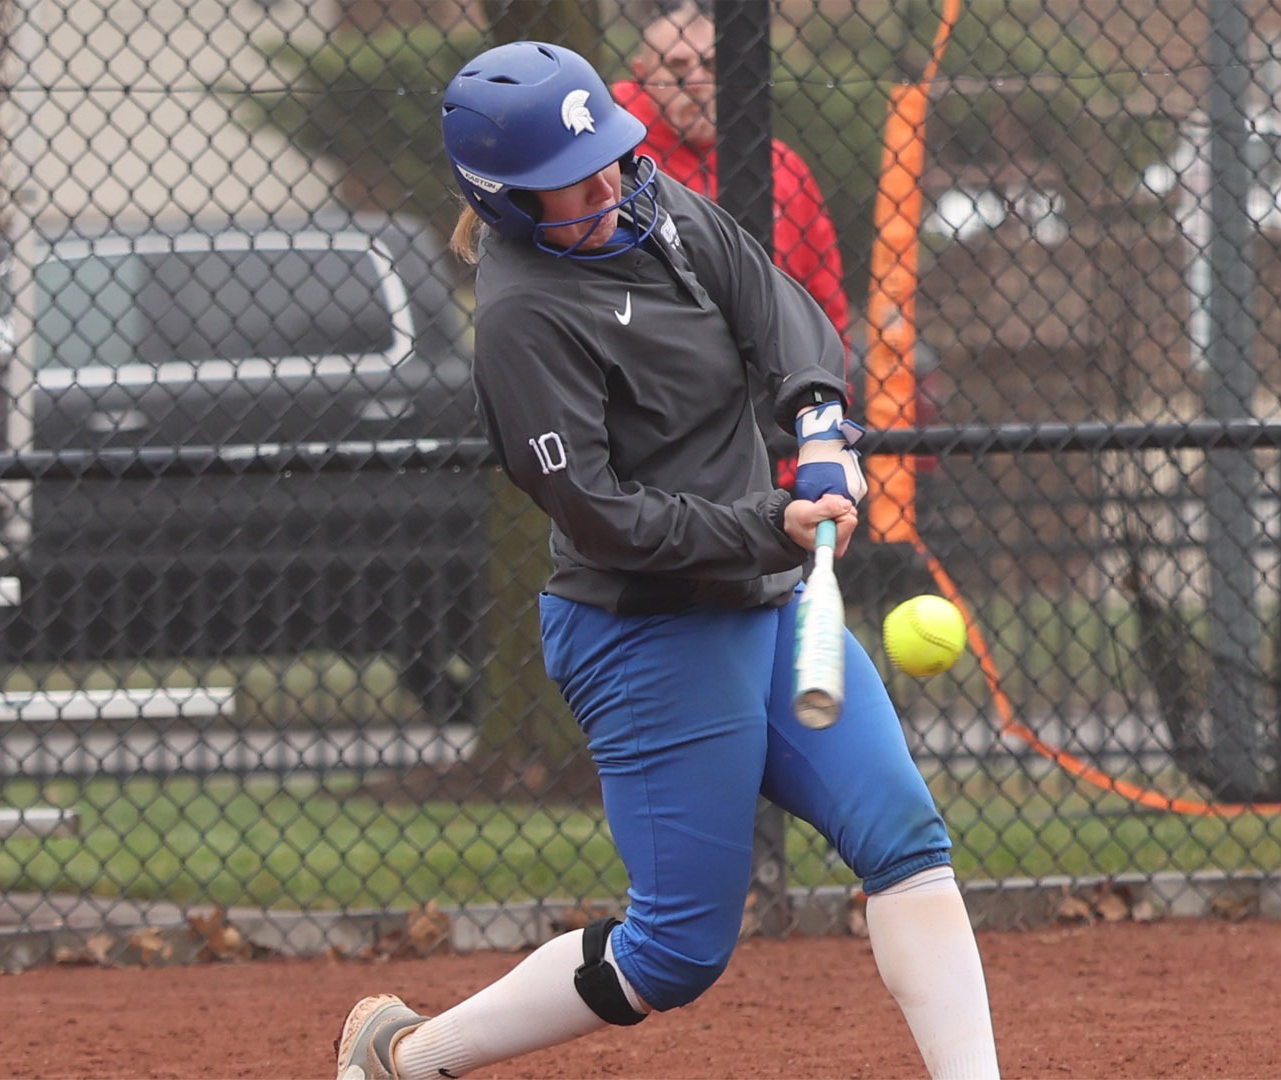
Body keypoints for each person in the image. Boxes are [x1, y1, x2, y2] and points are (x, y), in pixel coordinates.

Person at [333, 41, 999, 1080]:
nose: (606, 182)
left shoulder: (657, 208)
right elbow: (603, 518)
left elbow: (777, 310)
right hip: (645, 633)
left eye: (607, 154)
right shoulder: (523, 320)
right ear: (505, 200)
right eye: (572, 180)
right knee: (677, 952)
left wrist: (820, 426)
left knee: (906, 843)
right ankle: (408, 1058)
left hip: (765, 599)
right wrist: (768, 523)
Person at [611, 0, 851, 491]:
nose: (695, 79)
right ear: (642, 74)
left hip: (774, 429)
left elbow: (824, 306)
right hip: (652, 445)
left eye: (711, 65)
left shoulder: (783, 169)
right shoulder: (614, 171)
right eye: (676, 67)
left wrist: (811, 431)